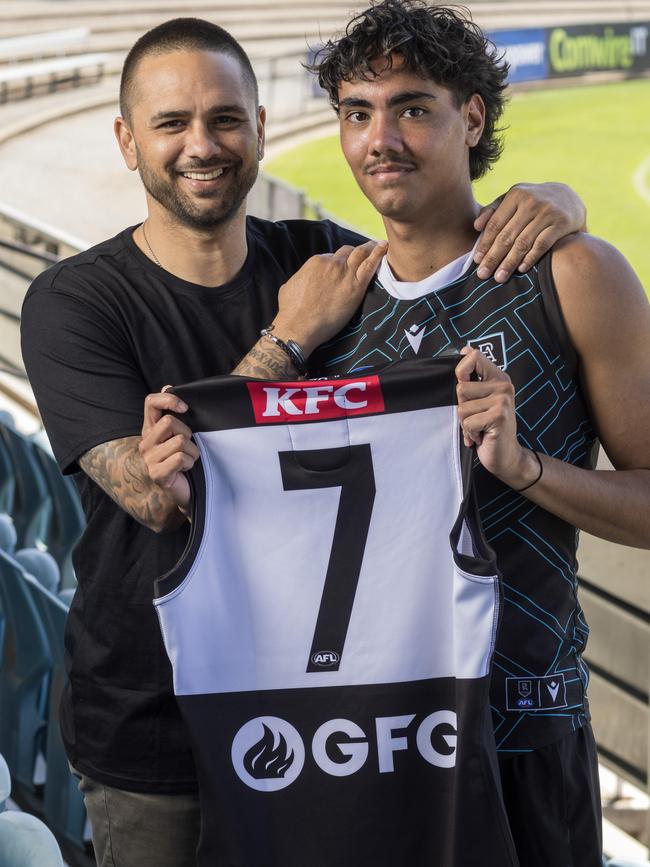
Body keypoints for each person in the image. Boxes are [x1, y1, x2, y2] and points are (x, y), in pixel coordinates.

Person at [21, 15, 589, 867]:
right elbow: (150, 495)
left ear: (258, 128)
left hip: (331, 721)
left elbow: (435, 254)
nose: (201, 145)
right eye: (171, 123)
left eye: (223, 118)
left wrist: (558, 203)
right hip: (155, 727)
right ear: (127, 141)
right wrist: (285, 342)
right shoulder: (75, 302)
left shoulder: (329, 261)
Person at [302, 2, 650, 865]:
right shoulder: (325, 305)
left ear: (473, 115)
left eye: (413, 107)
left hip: (528, 728)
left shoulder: (572, 274)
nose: (380, 137)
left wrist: (526, 466)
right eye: (357, 112)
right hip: (368, 738)